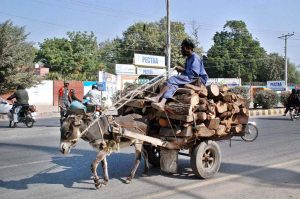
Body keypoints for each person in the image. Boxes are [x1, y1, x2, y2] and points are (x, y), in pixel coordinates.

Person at [145, 38, 208, 111]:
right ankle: (162, 103)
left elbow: (194, 73)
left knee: (172, 79)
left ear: (189, 48)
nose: (182, 50)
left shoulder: (195, 57)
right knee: (173, 85)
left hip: (199, 80)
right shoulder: (188, 58)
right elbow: (187, 72)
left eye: (183, 48)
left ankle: (157, 97)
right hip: (191, 78)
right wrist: (181, 70)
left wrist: (182, 69)